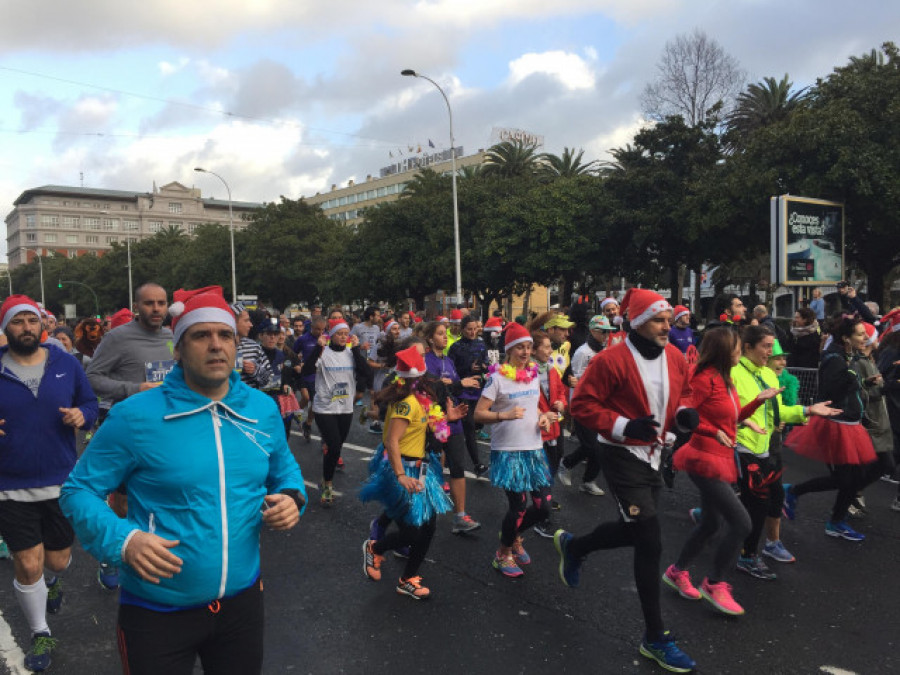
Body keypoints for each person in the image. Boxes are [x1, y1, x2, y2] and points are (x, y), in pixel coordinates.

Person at [60, 286, 306, 675]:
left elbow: (284, 469)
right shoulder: (135, 416)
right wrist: (124, 540)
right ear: (177, 348)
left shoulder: (262, 409)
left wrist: (292, 497)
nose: (215, 345)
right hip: (157, 612)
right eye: (200, 335)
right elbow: (79, 490)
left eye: (225, 335)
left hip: (242, 606)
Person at [553, 288, 699, 673]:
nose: (667, 327)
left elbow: (683, 392)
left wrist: (684, 414)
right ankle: (655, 637)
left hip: (655, 452)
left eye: (669, 320)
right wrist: (623, 425)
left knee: (635, 529)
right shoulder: (610, 359)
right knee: (649, 539)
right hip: (620, 453)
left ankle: (575, 546)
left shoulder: (675, 355)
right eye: (658, 320)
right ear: (636, 322)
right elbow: (581, 405)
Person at [0, 295, 99, 672]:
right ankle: (40, 632)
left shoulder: (66, 364)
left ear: (41, 325)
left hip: (59, 480)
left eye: (31, 320)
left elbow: (90, 403)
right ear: (6, 328)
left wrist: (82, 415)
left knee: (57, 559)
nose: (26, 328)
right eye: (17, 321)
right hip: (8, 484)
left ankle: (53, 581)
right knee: (27, 563)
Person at [663, 327, 780, 617]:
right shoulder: (704, 379)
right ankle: (715, 583)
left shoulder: (725, 379)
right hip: (703, 458)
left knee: (711, 524)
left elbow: (733, 417)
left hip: (721, 457)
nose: (741, 352)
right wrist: (712, 431)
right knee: (741, 522)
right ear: (724, 351)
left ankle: (677, 572)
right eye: (738, 348)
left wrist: (757, 403)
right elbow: (683, 416)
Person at [86, 282, 176, 590]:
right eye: (149, 303)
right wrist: (135, 389)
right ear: (137, 306)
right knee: (122, 503)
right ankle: (112, 553)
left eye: (161, 303)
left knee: (160, 495)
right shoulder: (118, 338)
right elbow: (92, 379)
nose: (155, 309)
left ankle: (153, 553)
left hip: (166, 430)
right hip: (129, 432)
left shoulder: (172, 337)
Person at [731, 325, 837, 579]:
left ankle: (721, 532)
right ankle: (746, 556)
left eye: (772, 346)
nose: (771, 352)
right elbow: (726, 413)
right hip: (741, 446)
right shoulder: (733, 373)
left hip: (764, 448)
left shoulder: (768, 375)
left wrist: (808, 411)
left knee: (756, 501)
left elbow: (779, 413)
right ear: (748, 347)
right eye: (766, 346)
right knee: (759, 502)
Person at [360, 346, 464, 600]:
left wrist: (446, 419)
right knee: (412, 531)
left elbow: (423, 429)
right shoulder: (407, 404)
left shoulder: (419, 399)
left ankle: (408, 579)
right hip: (404, 469)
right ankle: (375, 548)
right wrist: (400, 476)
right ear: (420, 376)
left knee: (428, 527)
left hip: (421, 468)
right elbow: (392, 442)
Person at [784, 316, 878, 541]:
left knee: (853, 478)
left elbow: (847, 387)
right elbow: (831, 391)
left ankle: (833, 519)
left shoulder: (848, 355)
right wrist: (853, 378)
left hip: (850, 424)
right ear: (846, 338)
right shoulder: (835, 358)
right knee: (846, 479)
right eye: (859, 334)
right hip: (837, 425)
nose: (864, 337)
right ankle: (803, 498)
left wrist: (864, 383)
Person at [474, 323, 555, 579]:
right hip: (509, 452)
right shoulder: (496, 379)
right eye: (520, 347)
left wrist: (544, 417)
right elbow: (478, 414)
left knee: (543, 507)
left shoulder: (532, 375)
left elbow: (535, 409)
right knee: (518, 507)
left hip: (533, 449)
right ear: (509, 349)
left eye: (529, 347)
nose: (526, 352)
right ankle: (502, 553)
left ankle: (515, 536)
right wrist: (504, 415)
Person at [301, 317, 370, 505]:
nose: (343, 337)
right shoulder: (323, 353)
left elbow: (366, 373)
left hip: (345, 406)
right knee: (333, 444)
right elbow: (306, 370)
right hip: (324, 407)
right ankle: (328, 485)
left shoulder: (350, 352)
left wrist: (356, 350)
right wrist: (317, 348)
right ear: (331, 335)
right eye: (339, 333)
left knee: (337, 447)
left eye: (346, 334)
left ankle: (324, 481)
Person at [422, 321, 482, 533]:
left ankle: (459, 516)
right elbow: (431, 386)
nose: (445, 337)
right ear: (430, 339)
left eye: (444, 334)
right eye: (440, 334)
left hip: (453, 419)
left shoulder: (448, 360)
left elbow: (455, 387)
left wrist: (468, 382)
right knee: (427, 469)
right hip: (433, 421)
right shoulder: (426, 361)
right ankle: (420, 516)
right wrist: (458, 384)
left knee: (458, 467)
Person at [555, 315, 618, 503]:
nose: (606, 335)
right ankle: (566, 463)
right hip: (583, 405)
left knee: (601, 445)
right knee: (592, 445)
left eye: (608, 331)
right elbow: (573, 379)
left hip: (603, 404)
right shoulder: (583, 352)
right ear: (592, 331)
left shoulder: (607, 350)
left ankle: (588, 480)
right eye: (603, 331)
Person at [529, 330, 568, 539]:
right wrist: (540, 414)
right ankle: (542, 515)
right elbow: (523, 402)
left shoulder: (551, 370)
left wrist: (562, 402)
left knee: (553, 466)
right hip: (537, 431)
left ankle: (545, 496)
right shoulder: (526, 373)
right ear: (534, 350)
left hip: (555, 428)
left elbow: (560, 391)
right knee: (540, 473)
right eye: (545, 346)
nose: (550, 350)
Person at [448, 315, 489, 477]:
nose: (473, 332)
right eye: (469, 329)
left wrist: (485, 367)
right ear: (462, 329)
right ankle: (477, 464)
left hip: (478, 390)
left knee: (476, 424)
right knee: (470, 427)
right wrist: (468, 368)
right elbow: (452, 371)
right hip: (463, 392)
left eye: (475, 329)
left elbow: (486, 361)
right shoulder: (456, 347)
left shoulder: (480, 343)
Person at [295, 315, 326, 441]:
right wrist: (298, 363)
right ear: (312, 327)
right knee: (306, 397)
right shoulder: (303, 339)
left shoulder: (326, 339)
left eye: (322, 329)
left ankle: (308, 423)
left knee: (315, 402)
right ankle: (295, 411)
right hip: (304, 374)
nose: (320, 332)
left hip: (317, 376)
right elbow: (293, 353)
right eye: (317, 329)